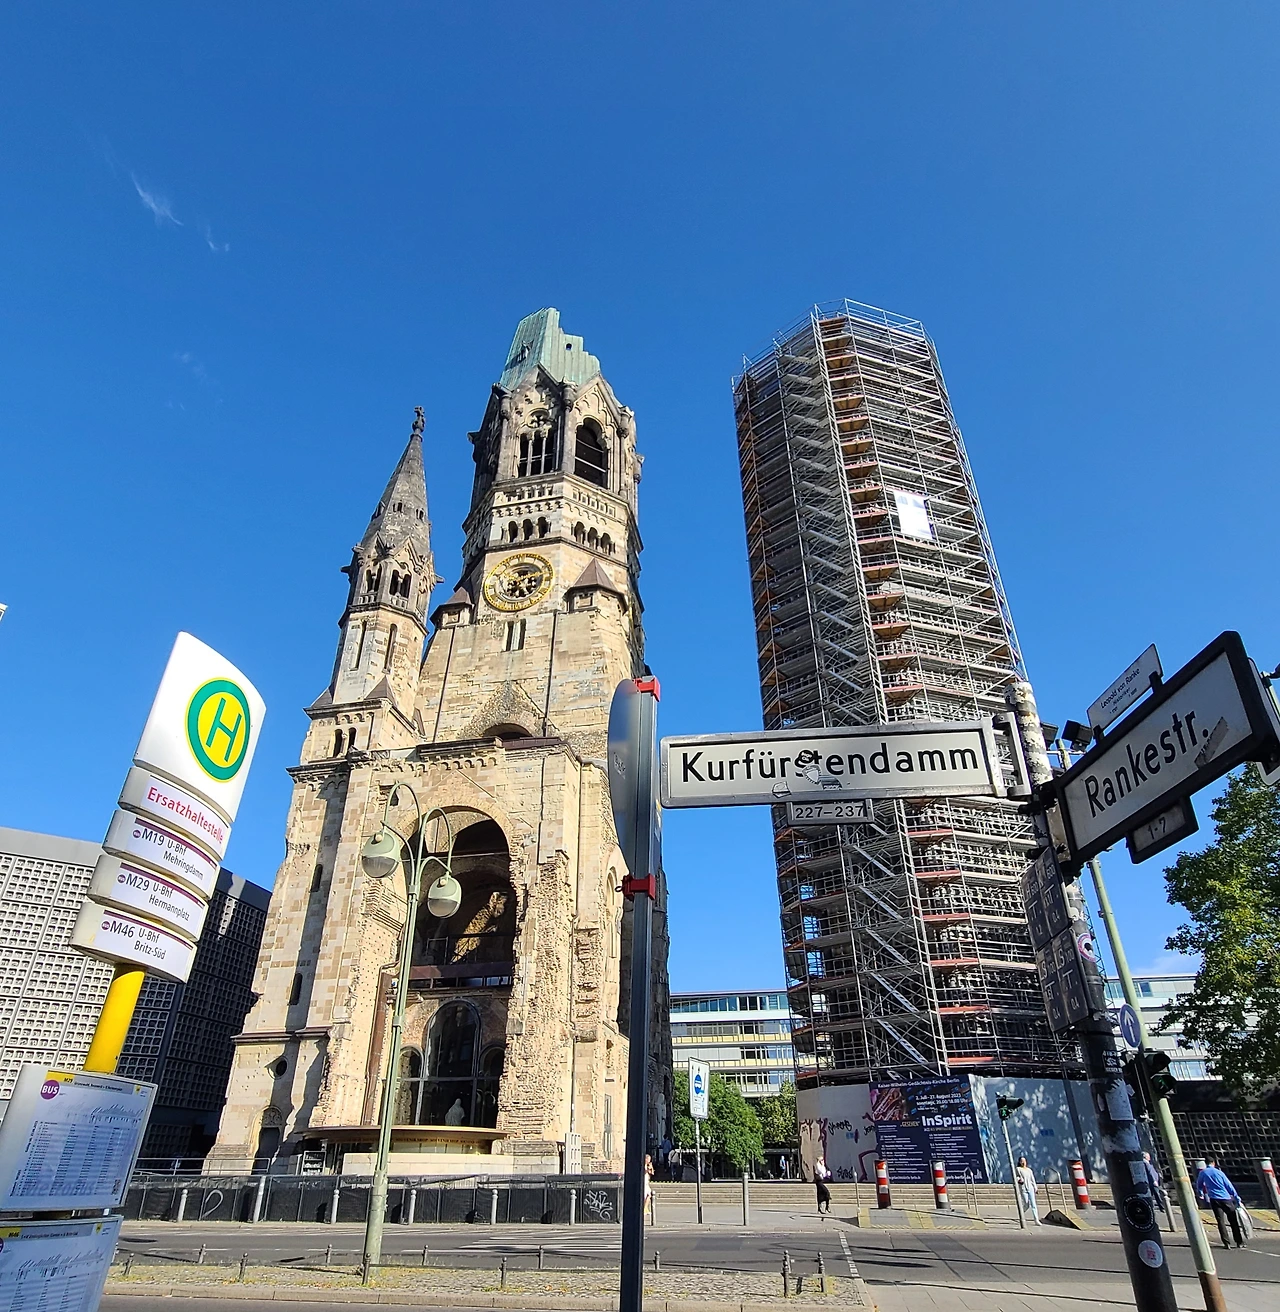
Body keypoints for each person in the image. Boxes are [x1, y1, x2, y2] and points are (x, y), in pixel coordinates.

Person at [1196, 1157, 1245, 1249]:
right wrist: (1236, 1197)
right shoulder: (1219, 1172)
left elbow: (1199, 1184)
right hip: (1225, 1198)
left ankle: (1226, 1243)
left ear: (1205, 1163)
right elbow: (1228, 1185)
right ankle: (1239, 1242)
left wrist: (1201, 1193)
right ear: (1213, 1163)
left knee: (1220, 1221)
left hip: (1214, 1199)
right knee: (1233, 1220)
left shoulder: (1203, 1172)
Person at [1142, 1152, 1170, 1219]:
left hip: (1153, 1182)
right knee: (1157, 1194)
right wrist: (1154, 1181)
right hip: (1152, 1182)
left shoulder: (1147, 1163)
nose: (1149, 1157)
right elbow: (1150, 1173)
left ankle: (1150, 1207)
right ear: (1145, 1157)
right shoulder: (1145, 1163)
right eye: (1148, 1156)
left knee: (1151, 1194)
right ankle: (1161, 1207)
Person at [1015, 1156, 1041, 1225]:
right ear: (1019, 1162)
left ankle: (1036, 1220)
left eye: (1024, 1161)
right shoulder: (1018, 1169)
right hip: (1023, 1188)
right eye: (1022, 1161)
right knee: (1026, 1204)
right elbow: (1016, 1177)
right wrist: (1019, 1180)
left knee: (1033, 1204)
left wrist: (1035, 1188)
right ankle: (1021, 1214)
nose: (1023, 1162)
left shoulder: (1029, 1170)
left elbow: (1032, 1179)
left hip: (1030, 1188)